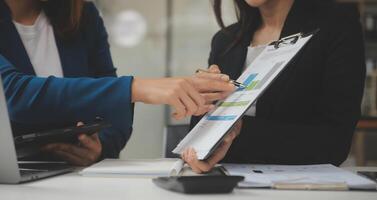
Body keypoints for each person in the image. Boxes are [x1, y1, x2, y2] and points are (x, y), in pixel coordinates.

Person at [0, 0, 235, 166]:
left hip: (76, 180)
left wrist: (100, 147)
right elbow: (12, 94)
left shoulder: (83, 16)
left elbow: (114, 115)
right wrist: (135, 88)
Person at [183, 0, 365, 173]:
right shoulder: (225, 41)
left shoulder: (336, 26)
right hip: (227, 183)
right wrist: (201, 104)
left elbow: (334, 143)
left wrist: (237, 132)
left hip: (297, 187)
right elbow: (200, 134)